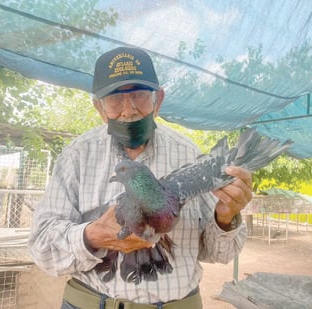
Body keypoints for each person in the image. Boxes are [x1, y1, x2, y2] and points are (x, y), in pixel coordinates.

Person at [28, 46, 252, 309]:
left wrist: (225, 217)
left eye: (139, 95)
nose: (128, 109)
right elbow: (42, 246)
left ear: (158, 100)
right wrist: (91, 236)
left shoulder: (189, 154)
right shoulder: (77, 156)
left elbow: (219, 253)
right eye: (114, 98)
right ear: (99, 108)